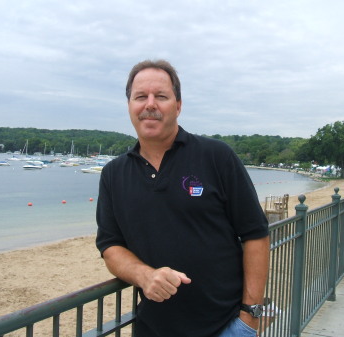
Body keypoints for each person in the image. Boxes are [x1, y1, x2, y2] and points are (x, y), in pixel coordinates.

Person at [96, 59, 270, 337]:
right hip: (154, 328)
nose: (150, 104)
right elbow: (110, 245)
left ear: (177, 105)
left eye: (161, 96)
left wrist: (250, 316)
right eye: (140, 96)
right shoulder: (113, 174)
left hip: (226, 326)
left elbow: (256, 234)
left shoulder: (216, 156)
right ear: (130, 105)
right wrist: (145, 275)